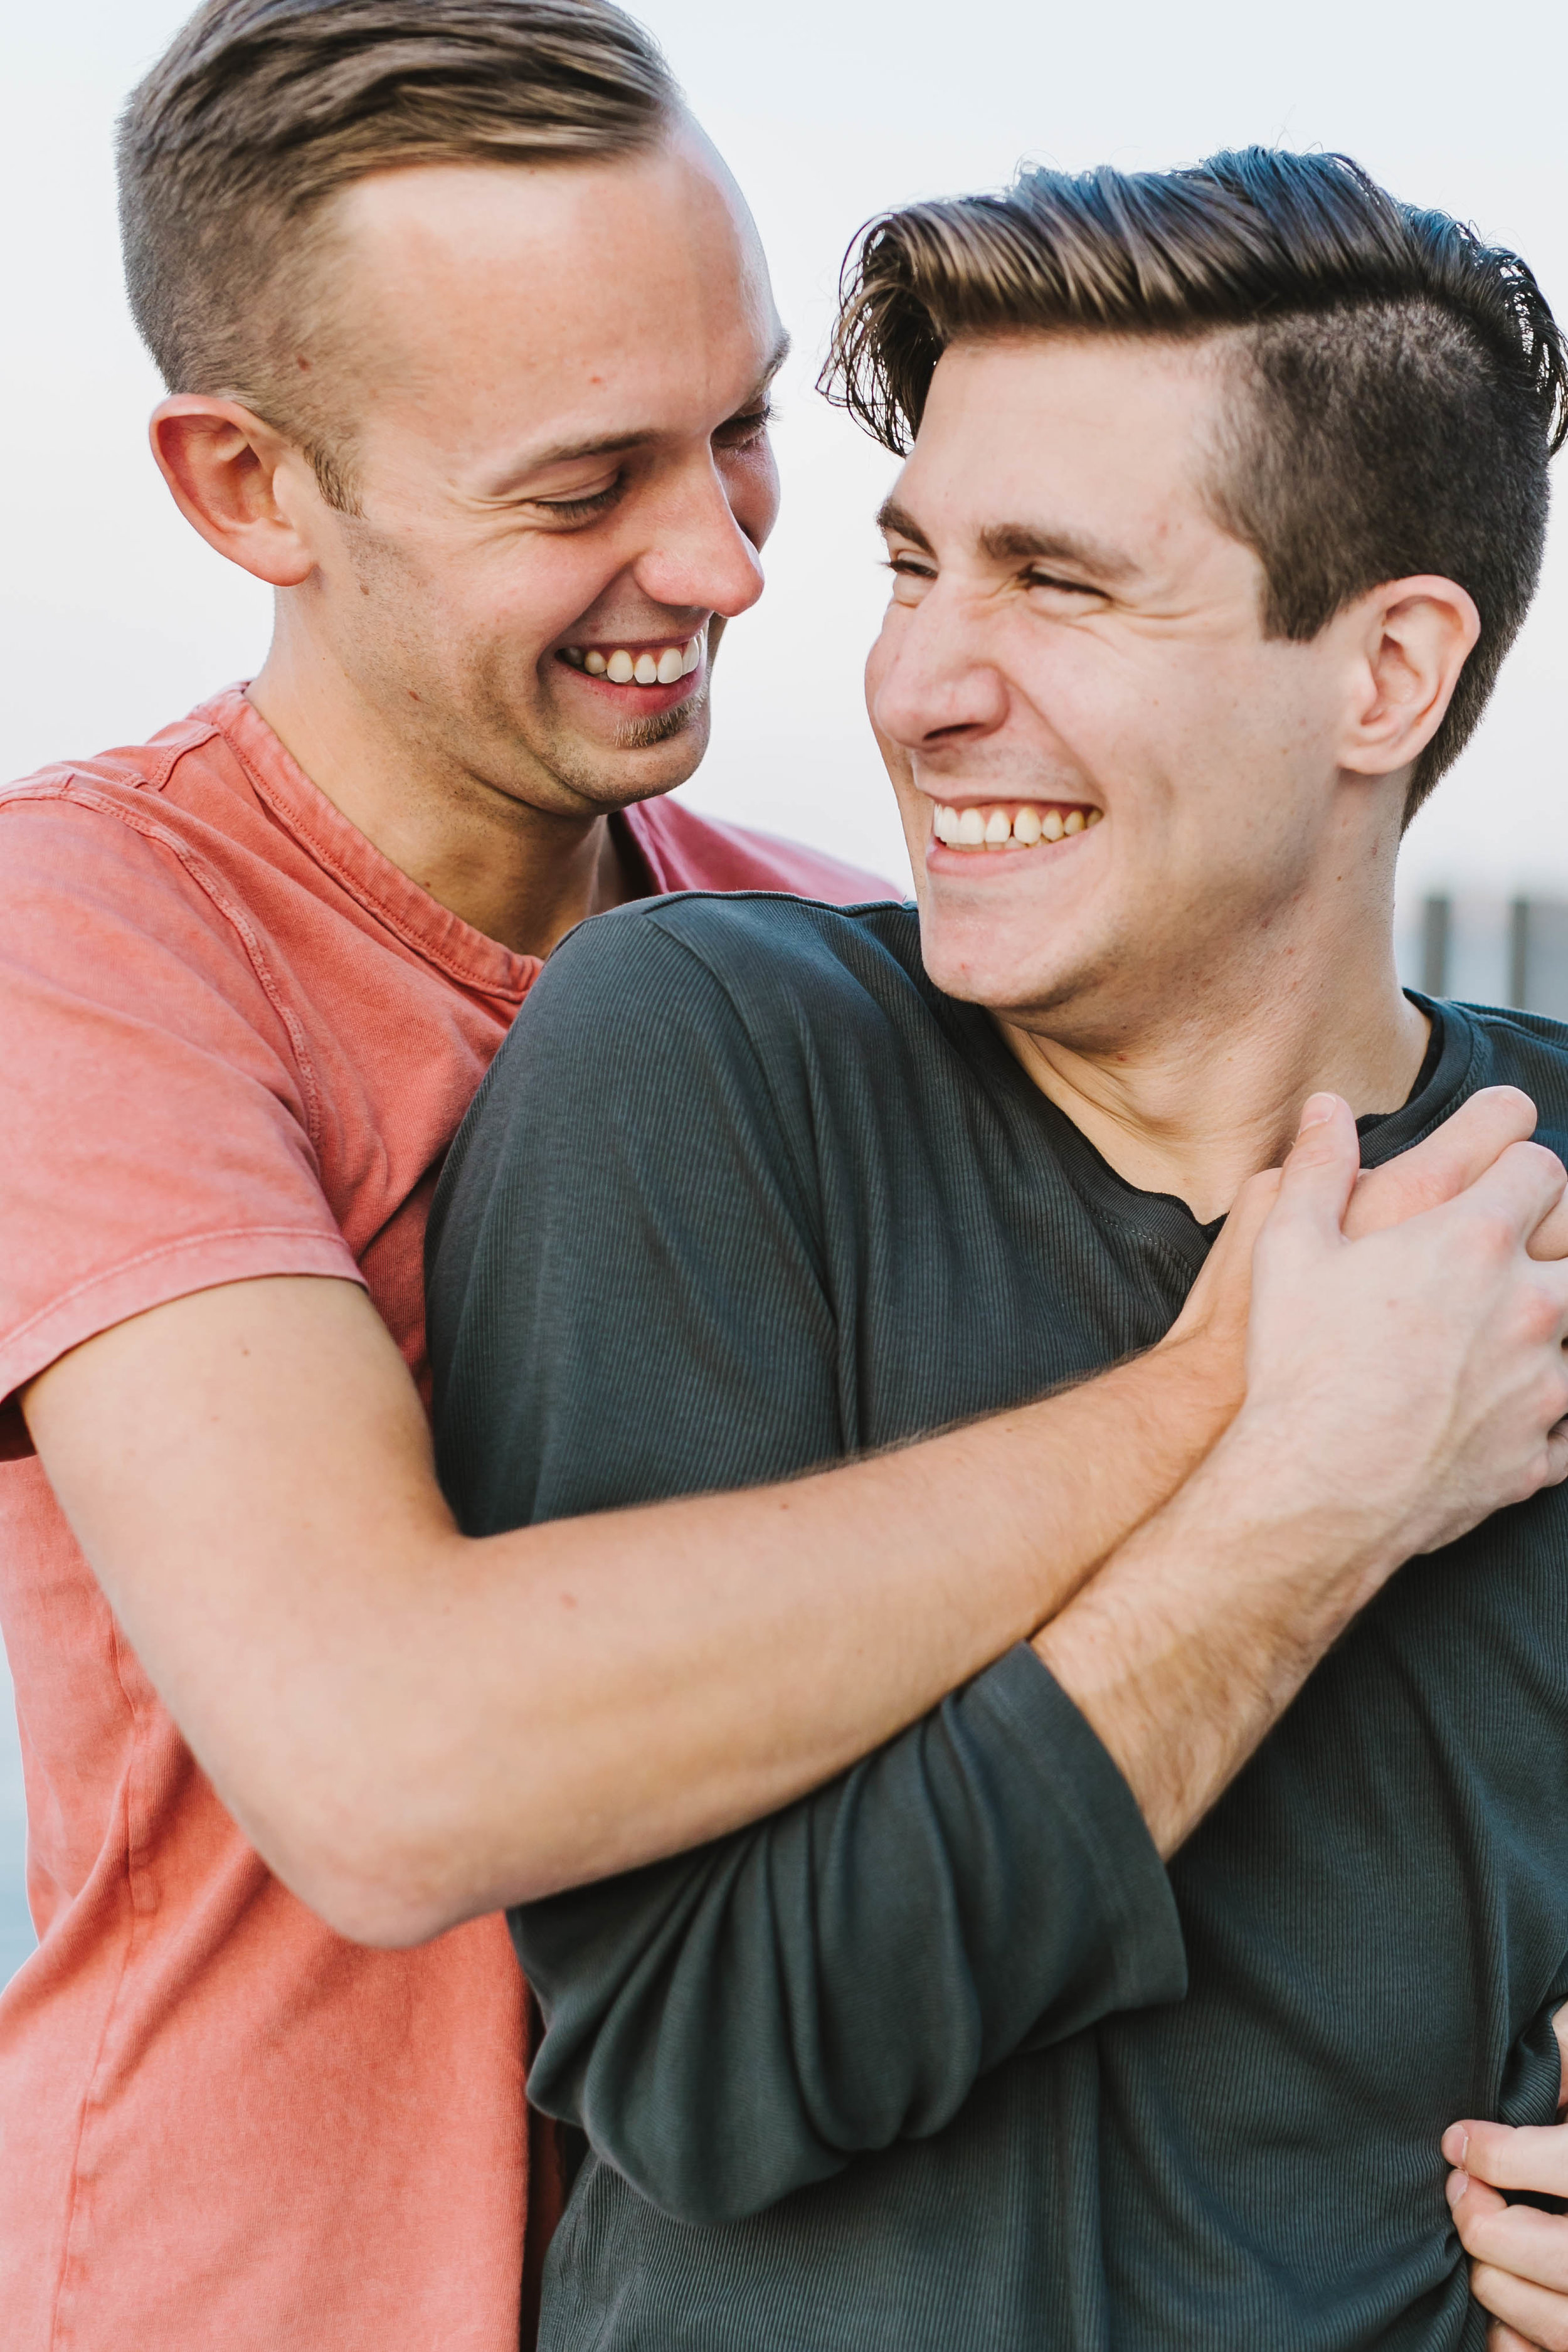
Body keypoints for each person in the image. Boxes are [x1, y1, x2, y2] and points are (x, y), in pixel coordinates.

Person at [13, 6, 1530, 2345]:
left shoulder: (844, 954)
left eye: (738, 435)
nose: (720, 566)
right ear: (247, 491)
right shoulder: (86, 946)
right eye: (580, 483)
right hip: (266, 2293)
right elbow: (388, 1766)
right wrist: (1245, 1399)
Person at [426, 149, 1568, 2348]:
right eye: (914, 564)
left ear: (1384, 673)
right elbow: (709, 2064)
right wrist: (1304, 1504)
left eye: (1056, 584)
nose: (920, 688)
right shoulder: (710, 1069)